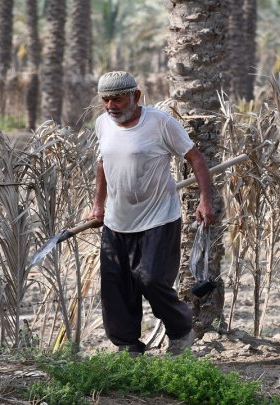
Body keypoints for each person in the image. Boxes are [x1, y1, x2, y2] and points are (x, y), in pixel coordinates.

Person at [87, 71, 215, 355]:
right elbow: (102, 163)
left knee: (152, 279)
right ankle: (128, 347)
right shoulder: (102, 124)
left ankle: (181, 330)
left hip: (158, 218)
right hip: (116, 222)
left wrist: (206, 200)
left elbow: (196, 158)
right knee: (114, 287)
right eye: (106, 100)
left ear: (136, 96)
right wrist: (98, 205)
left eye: (117, 99)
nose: (111, 106)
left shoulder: (160, 123)